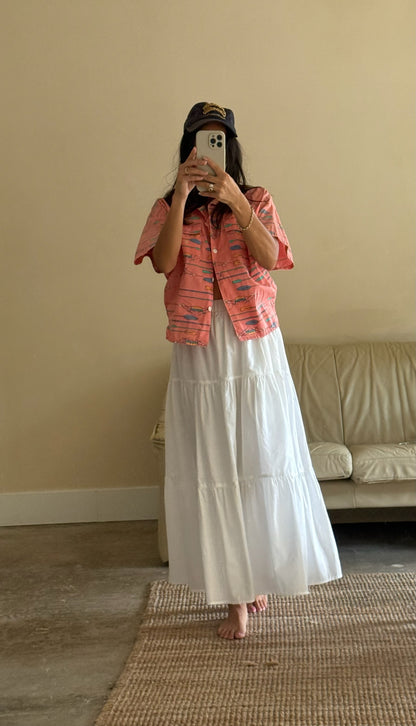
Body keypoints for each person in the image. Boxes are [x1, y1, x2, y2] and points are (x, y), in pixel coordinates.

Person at [134, 102, 342, 641]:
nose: (210, 150)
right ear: (188, 148)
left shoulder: (256, 199)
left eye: (219, 140)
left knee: (259, 459)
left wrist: (234, 200)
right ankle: (234, 597)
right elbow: (163, 263)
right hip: (200, 347)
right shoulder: (169, 205)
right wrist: (183, 198)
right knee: (215, 467)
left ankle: (257, 577)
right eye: (202, 141)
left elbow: (270, 258)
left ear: (230, 147)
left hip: (253, 346)